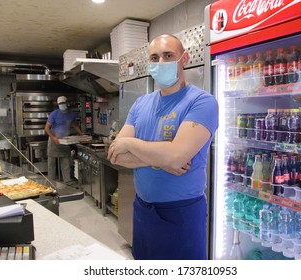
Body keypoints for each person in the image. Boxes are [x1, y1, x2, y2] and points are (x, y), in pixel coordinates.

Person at [107, 34, 219, 260]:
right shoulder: (141, 103)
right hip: (143, 210)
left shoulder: (202, 102)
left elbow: (176, 157)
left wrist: (129, 143)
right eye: (154, 57)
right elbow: (116, 155)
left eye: (168, 56)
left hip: (182, 213)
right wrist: (162, 157)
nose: (161, 63)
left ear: (184, 59)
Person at [45, 96, 83, 185]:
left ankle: (67, 181)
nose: (62, 105)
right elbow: (47, 128)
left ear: (67, 103)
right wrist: (54, 137)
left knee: (65, 162)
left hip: (65, 141)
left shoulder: (71, 114)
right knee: (51, 163)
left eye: (63, 103)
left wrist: (81, 134)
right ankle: (51, 181)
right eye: (60, 104)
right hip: (54, 141)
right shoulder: (54, 114)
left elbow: (75, 125)